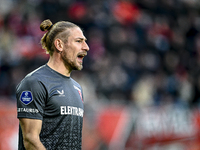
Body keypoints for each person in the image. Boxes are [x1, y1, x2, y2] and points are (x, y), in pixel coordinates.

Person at [16, 19, 89, 150]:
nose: (86, 47)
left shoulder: (77, 88)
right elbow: (30, 139)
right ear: (59, 45)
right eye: (79, 41)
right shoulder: (35, 82)